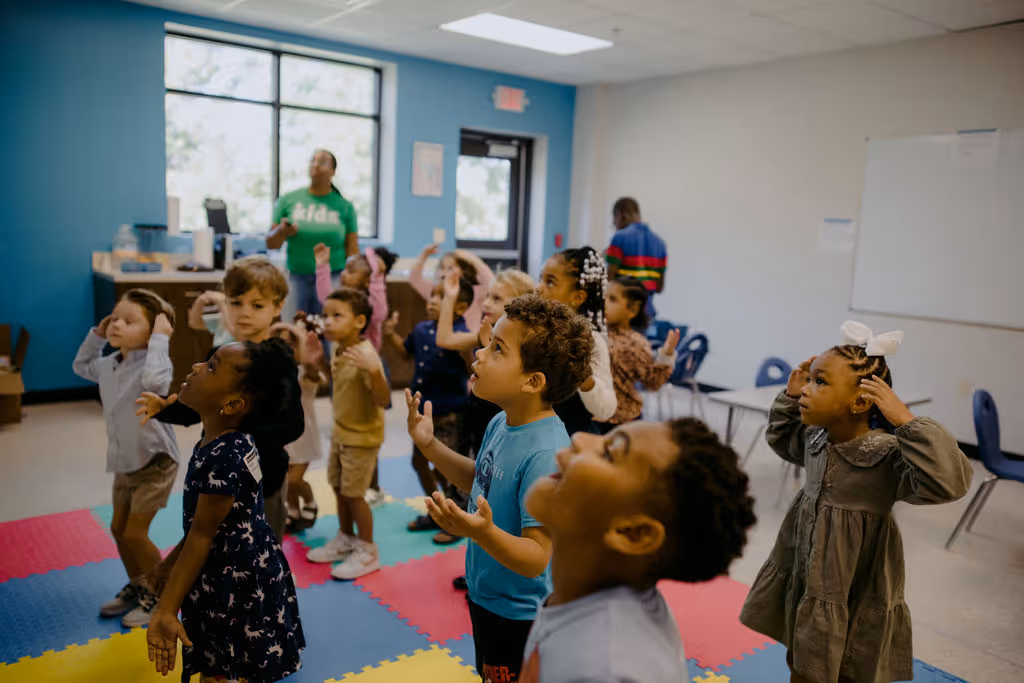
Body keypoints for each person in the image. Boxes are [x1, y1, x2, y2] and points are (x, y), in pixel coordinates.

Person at [739, 322, 974, 683]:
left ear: (861, 401)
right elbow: (784, 442)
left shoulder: (884, 454)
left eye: (820, 382)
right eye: (809, 379)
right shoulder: (818, 437)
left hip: (854, 575)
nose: (806, 389)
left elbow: (949, 483)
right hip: (807, 562)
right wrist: (789, 397)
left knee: (850, 658)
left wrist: (908, 423)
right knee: (803, 645)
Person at [406, 294, 594, 683]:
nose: (479, 353)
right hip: (486, 595)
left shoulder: (546, 453)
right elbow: (482, 479)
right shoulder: (502, 421)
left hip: (520, 614)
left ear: (532, 381)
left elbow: (537, 557)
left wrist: (483, 532)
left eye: (497, 349)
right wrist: (429, 445)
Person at [133, 257, 304, 628]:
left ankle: (264, 630)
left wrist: (240, 443)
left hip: (264, 480)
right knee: (207, 544)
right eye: (235, 302)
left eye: (257, 305)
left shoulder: (277, 357)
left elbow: (293, 424)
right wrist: (165, 408)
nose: (244, 313)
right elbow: (199, 404)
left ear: (277, 308)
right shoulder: (224, 354)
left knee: (260, 559)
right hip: (215, 476)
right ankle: (182, 600)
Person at [520, 418, 757, 682]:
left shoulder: (602, 669)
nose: (578, 437)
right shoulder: (579, 599)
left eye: (609, 453)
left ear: (632, 534)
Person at [145, 339, 304, 683]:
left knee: (223, 667)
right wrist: (171, 564)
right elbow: (213, 527)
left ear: (231, 403)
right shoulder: (226, 438)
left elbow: (204, 534)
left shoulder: (224, 456)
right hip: (234, 566)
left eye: (212, 366)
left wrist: (166, 609)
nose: (198, 367)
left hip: (235, 581)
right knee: (224, 666)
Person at [72, 289, 180, 622]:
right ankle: (140, 584)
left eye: (129, 321)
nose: (117, 324)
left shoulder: (154, 361)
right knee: (119, 530)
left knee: (135, 533)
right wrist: (96, 334)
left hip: (155, 461)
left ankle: (161, 596)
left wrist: (160, 340)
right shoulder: (110, 364)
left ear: (153, 330)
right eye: (114, 318)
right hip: (124, 461)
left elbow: (156, 383)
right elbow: (81, 366)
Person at [306, 287, 390, 580]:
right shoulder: (338, 347)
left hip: (362, 438)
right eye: (325, 315)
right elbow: (339, 384)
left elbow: (384, 400)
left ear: (359, 321)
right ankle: (345, 537)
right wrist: (316, 362)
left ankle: (368, 550)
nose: (327, 321)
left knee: (355, 495)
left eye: (336, 316)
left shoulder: (366, 355)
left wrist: (376, 372)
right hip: (341, 433)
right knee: (339, 488)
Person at [383, 277, 474, 544]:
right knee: (418, 462)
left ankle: (454, 516)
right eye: (432, 296)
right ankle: (437, 511)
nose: (433, 301)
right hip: (423, 415)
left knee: (449, 470)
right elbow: (404, 354)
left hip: (450, 413)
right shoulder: (422, 329)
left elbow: (472, 371)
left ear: (460, 307)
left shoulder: (460, 335)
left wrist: (467, 354)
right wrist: (389, 335)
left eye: (441, 297)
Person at [316, 243, 398, 507]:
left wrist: (377, 274)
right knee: (344, 415)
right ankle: (352, 474)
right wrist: (322, 266)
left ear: (368, 277)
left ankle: (371, 486)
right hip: (344, 366)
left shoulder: (370, 306)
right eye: (346, 268)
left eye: (351, 270)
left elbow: (381, 312)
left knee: (366, 430)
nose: (345, 273)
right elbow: (325, 296)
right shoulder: (344, 301)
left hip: (368, 368)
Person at [265, 149, 359, 318]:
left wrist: (352, 281)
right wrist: (282, 231)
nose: (315, 165)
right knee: (294, 331)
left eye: (322, 162)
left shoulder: (345, 206)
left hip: (333, 278)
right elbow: (271, 243)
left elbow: (352, 248)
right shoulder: (288, 200)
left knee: (329, 331)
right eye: (312, 160)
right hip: (296, 278)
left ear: (333, 171)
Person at [536, 246, 617, 435]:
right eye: (540, 278)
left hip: (568, 437)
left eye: (550, 282)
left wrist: (585, 378)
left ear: (578, 297)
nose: (538, 287)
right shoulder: (532, 329)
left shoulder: (592, 341)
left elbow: (606, 408)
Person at [599, 277, 679, 433]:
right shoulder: (595, 330)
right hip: (593, 413)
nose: (604, 303)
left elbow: (652, 382)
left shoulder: (636, 343)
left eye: (613, 299)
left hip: (619, 419)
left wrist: (667, 353)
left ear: (632, 310)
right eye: (604, 296)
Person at [272, 315, 328, 532]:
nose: (285, 348)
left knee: (294, 480)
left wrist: (305, 348)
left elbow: (315, 375)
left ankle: (311, 502)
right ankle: (293, 510)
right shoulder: (272, 374)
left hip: (303, 437)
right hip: (281, 438)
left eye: (291, 343)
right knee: (284, 480)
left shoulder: (305, 373)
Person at [316, 242, 398, 352]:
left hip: (365, 361)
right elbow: (327, 298)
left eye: (350, 271)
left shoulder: (370, 303)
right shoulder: (344, 297)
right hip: (344, 354)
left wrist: (377, 279)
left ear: (368, 281)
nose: (342, 274)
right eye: (344, 269)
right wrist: (322, 265)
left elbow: (379, 315)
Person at [410, 244, 494, 336]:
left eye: (450, 268)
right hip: (441, 342)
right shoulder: (436, 290)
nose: (444, 272)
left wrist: (471, 259)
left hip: (468, 343)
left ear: (464, 270)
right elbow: (415, 279)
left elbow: (491, 282)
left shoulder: (475, 292)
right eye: (442, 268)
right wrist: (424, 255)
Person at [605, 198, 667, 319]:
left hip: (621, 313)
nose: (613, 223)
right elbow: (659, 288)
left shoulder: (619, 238)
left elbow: (608, 279)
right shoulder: (660, 243)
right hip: (646, 315)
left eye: (614, 218)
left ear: (621, 214)